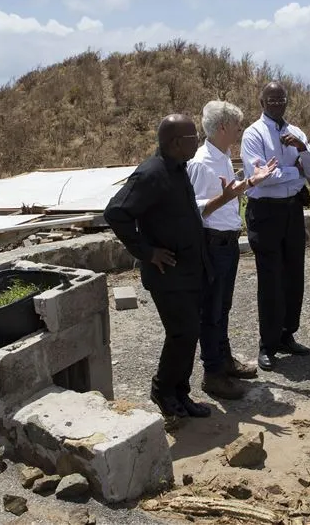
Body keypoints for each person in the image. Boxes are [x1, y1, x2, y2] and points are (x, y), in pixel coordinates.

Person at [103, 114, 212, 418]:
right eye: (194, 138)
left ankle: (180, 394)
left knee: (189, 334)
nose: (198, 141)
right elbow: (115, 212)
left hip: (190, 270)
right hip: (168, 275)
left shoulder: (178, 168)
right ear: (177, 143)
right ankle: (163, 391)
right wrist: (146, 251)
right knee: (181, 333)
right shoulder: (151, 174)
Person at [187, 100, 277, 400]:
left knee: (221, 308)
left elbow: (228, 193)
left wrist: (251, 181)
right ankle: (212, 374)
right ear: (223, 127)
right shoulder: (201, 163)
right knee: (210, 311)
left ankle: (223, 362)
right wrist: (228, 197)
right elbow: (196, 211)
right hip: (212, 244)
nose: (241, 129)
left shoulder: (222, 155)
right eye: (237, 124)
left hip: (225, 243)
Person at [240, 81, 310, 371]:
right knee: (270, 277)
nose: (277, 104)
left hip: (291, 211)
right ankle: (267, 343)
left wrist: (302, 151)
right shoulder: (253, 134)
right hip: (266, 212)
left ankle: (288, 334)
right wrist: (294, 171)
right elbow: (262, 176)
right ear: (261, 102)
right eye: (271, 100)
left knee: (293, 274)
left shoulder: (296, 132)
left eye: (281, 99)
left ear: (287, 101)